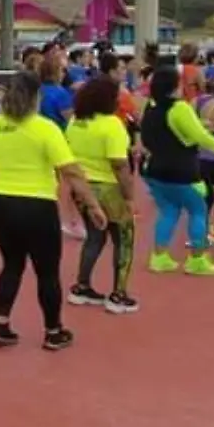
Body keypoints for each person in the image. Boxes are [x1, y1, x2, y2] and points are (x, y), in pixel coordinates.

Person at [0, 71, 105, 351]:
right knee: (47, 271)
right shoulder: (45, 128)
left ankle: (1, 324)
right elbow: (70, 170)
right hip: (36, 203)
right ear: (36, 97)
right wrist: (92, 205)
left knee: (11, 264)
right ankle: (53, 330)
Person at [64, 76, 139, 313]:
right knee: (124, 239)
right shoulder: (112, 124)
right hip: (108, 187)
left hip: (82, 187)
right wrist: (129, 196)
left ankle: (82, 286)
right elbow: (120, 165)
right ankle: (119, 293)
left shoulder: (76, 121)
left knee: (94, 237)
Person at [141, 65, 214, 275]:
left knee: (168, 211)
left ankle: (159, 257)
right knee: (198, 210)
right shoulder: (180, 108)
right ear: (175, 86)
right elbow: (200, 136)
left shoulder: (150, 108)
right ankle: (197, 260)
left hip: (155, 170)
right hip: (182, 170)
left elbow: (148, 137)